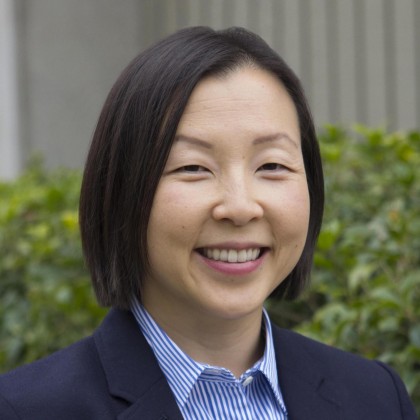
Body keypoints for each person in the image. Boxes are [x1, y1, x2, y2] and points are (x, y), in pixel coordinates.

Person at [0, 26, 416, 420]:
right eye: (194, 168)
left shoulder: (375, 397)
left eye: (272, 165)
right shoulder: (26, 409)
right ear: (122, 191)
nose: (239, 207)